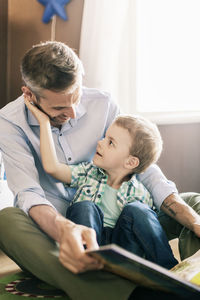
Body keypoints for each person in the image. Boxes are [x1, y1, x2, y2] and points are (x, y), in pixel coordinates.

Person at [0, 41, 199, 300]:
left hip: (123, 223)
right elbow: (28, 192)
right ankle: (130, 293)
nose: (72, 113)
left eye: (76, 96)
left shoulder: (103, 103)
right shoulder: (9, 123)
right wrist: (64, 230)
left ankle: (189, 273)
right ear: (29, 95)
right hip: (61, 233)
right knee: (6, 221)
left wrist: (192, 220)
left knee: (193, 202)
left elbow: (141, 165)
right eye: (59, 108)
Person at [24, 98, 178, 269]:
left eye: (110, 142)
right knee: (85, 206)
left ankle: (169, 269)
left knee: (140, 211)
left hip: (124, 251)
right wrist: (44, 122)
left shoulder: (140, 193)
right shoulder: (88, 173)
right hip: (91, 244)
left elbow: (148, 229)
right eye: (105, 137)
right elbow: (52, 167)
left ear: (130, 162)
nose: (100, 142)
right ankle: (87, 261)